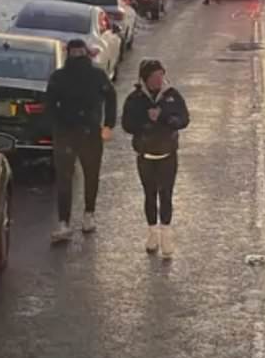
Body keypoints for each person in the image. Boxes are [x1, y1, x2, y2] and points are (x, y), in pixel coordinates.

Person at [44, 39, 117, 243]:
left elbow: (111, 96)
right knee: (65, 179)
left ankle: (88, 214)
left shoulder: (96, 75)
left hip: (90, 133)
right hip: (67, 133)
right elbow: (49, 102)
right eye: (73, 51)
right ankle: (64, 221)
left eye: (80, 51)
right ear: (69, 53)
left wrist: (108, 123)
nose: (77, 55)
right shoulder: (59, 77)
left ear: (85, 53)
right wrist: (56, 123)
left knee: (91, 175)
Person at [120, 59, 189, 259]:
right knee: (149, 195)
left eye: (161, 75)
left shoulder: (172, 96)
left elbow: (184, 119)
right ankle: (152, 234)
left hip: (168, 154)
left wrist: (166, 118)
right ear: (145, 78)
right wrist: (145, 121)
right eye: (154, 77)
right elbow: (126, 124)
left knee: (166, 195)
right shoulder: (135, 99)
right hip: (145, 155)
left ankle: (166, 236)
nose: (158, 80)